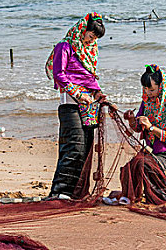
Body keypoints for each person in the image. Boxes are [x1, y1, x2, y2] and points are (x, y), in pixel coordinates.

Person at [45, 12, 106, 199]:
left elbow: (90, 79)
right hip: (70, 105)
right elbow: (59, 75)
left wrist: (98, 93)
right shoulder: (65, 46)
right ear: (82, 30)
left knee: (85, 149)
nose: (91, 40)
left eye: (95, 38)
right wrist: (79, 95)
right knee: (73, 147)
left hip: (88, 107)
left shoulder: (90, 51)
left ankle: (76, 192)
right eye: (90, 36)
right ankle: (60, 191)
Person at [120, 64, 166, 204]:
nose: (147, 92)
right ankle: (132, 197)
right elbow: (138, 128)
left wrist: (151, 128)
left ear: (162, 87)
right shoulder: (147, 103)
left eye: (151, 89)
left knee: (143, 164)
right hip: (153, 154)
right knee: (130, 167)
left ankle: (163, 196)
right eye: (145, 89)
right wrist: (132, 120)